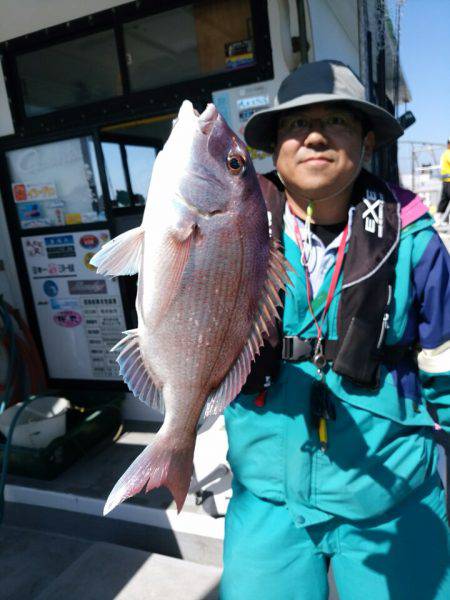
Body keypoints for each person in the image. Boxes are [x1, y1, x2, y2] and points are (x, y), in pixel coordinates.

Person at [221, 60, 450, 600]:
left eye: (337, 123)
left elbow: (445, 367)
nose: (314, 136)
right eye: (295, 125)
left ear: (367, 143)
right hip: (266, 497)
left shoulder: (416, 241)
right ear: (274, 147)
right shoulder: (231, 227)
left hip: (392, 496)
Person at [437, 138, 450, 221]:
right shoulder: (448, 153)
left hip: (445, 181)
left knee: (444, 200)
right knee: (444, 200)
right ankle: (442, 219)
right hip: (449, 181)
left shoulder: (444, 153)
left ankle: (439, 218)